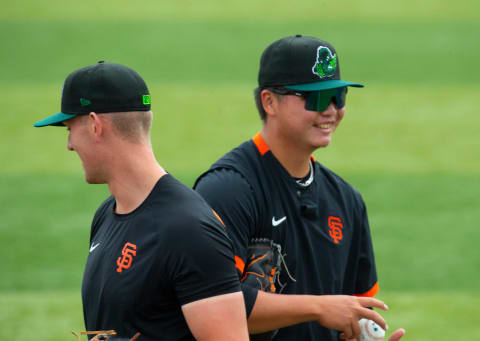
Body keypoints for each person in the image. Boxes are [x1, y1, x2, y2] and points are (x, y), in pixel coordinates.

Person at [194, 35, 405, 340]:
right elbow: (212, 307)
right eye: (316, 98)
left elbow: (352, 313)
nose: (331, 109)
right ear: (270, 101)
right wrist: (317, 308)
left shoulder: (346, 200)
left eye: (338, 96)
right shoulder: (228, 189)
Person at [34, 61, 249, 341]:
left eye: (69, 128)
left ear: (95, 125)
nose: (70, 144)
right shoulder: (106, 214)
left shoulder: (187, 229)